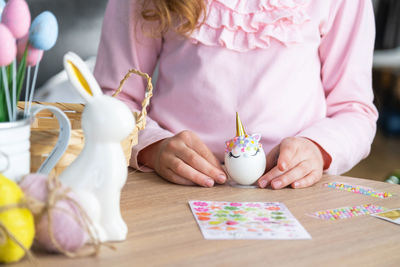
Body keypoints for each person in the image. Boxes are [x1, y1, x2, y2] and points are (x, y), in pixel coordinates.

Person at [94, 0, 378, 189]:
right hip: (172, 185)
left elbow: (354, 110)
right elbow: (112, 100)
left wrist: (317, 149)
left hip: (294, 191)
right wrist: (153, 147)